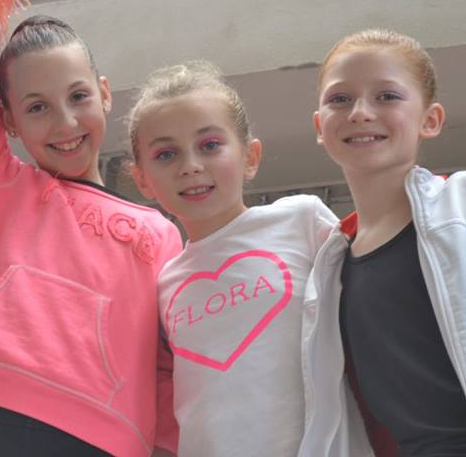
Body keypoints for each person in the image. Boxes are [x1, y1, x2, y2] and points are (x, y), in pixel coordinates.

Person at [0, 0, 182, 457]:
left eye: (78, 96)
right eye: (37, 107)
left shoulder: (159, 231)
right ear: (8, 120)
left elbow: (169, 366)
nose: (65, 123)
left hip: (105, 438)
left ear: (105, 93)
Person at [300, 29, 466, 456]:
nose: (360, 112)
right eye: (340, 99)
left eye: (387, 96)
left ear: (431, 119)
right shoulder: (327, 266)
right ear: (319, 126)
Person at [126, 61, 359, 457]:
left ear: (250, 156)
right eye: (166, 154)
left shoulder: (302, 220)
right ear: (142, 179)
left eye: (209, 145)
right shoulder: (164, 283)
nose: (190, 166)